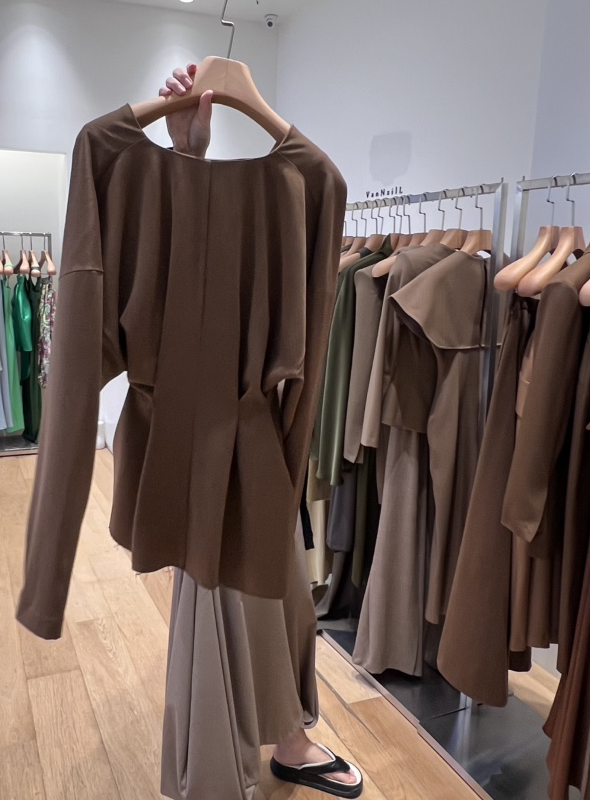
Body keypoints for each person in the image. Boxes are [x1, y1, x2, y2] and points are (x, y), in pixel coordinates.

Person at [158, 63, 362, 799]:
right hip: (214, 437)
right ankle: (231, 759)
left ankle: (284, 737)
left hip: (255, 434)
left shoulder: (284, 204)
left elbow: (328, 184)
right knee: (230, 592)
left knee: (278, 591)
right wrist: (188, 153)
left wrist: (251, 118)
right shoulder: (187, 219)